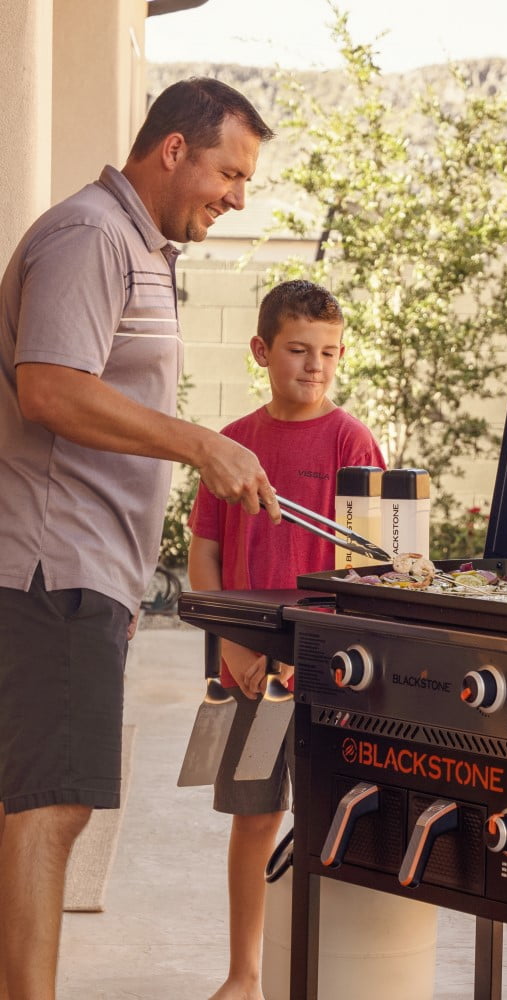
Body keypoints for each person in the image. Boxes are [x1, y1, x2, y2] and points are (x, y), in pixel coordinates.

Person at [0, 77, 283, 1000]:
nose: (238, 196)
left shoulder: (139, 246)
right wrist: (205, 445)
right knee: (51, 805)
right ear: (173, 150)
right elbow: (48, 385)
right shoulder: (91, 237)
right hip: (53, 562)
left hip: (87, 572)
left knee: (45, 803)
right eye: (230, 173)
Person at [187, 279, 385, 1000]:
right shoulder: (232, 444)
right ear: (261, 351)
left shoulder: (351, 440)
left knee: (334, 815)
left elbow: (376, 557)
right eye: (298, 350)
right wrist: (229, 639)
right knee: (255, 815)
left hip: (328, 666)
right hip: (246, 664)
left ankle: (329, 973)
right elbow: (204, 551)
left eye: (328, 353)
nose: (315, 366)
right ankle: (245, 974)